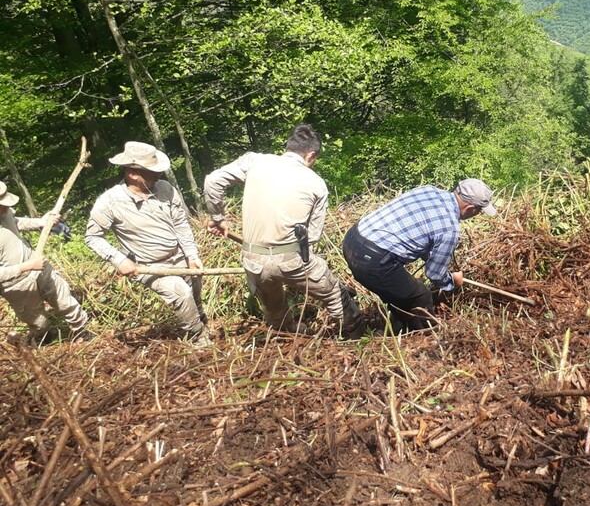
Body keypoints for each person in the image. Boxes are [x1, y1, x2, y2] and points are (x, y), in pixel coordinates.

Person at [204, 124, 363, 338]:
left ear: (288, 147)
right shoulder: (316, 183)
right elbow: (312, 237)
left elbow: (212, 180)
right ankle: (356, 337)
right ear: (311, 155)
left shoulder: (254, 161)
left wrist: (218, 218)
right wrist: (305, 270)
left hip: (254, 260)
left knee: (274, 307)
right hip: (291, 259)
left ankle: (283, 335)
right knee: (335, 294)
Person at [85, 142, 212, 346]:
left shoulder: (166, 189)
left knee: (194, 291)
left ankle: (201, 320)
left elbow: (180, 223)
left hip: (179, 257)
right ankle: (199, 337)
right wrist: (119, 260)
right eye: (152, 172)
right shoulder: (110, 202)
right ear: (133, 174)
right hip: (149, 266)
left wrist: (191, 254)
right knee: (180, 293)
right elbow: (92, 237)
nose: (158, 175)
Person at [341, 178, 496, 332]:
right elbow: (434, 274)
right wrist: (452, 281)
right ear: (470, 208)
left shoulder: (428, 190)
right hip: (371, 260)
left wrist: (434, 259)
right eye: (479, 210)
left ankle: (401, 328)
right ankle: (427, 338)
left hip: (353, 238)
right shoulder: (449, 230)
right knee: (420, 296)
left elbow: (420, 232)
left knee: (399, 292)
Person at [0, 182, 90, 344]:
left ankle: (81, 329)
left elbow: (16, 222)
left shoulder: (5, 212)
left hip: (39, 265)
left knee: (63, 298)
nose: (7, 208)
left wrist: (41, 222)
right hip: (16, 285)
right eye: (2, 205)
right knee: (39, 323)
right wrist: (26, 267)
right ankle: (44, 336)